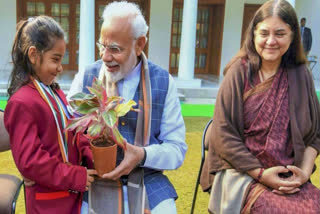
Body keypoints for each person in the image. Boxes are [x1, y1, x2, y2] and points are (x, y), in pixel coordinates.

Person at [68, 1, 187, 214]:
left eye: (115, 49)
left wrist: (142, 155)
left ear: (140, 44)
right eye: (102, 46)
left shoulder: (163, 82)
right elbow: (67, 129)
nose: (105, 56)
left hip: (147, 181)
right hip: (93, 181)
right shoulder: (86, 76)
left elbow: (177, 151)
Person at [203, 0, 320, 213]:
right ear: (254, 34)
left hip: (290, 176)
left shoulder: (301, 74)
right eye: (264, 33)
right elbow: (222, 136)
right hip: (242, 174)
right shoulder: (238, 72)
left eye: (280, 33)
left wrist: (303, 173)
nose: (271, 41)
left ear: (293, 36)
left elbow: (316, 134)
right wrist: (261, 174)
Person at [4, 16, 97, 214]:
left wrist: (91, 155)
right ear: (33, 54)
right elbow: (31, 162)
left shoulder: (53, 91)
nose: (60, 67)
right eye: (55, 59)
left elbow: (70, 130)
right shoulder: (22, 102)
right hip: (49, 202)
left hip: (69, 196)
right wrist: (75, 177)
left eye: (61, 59)